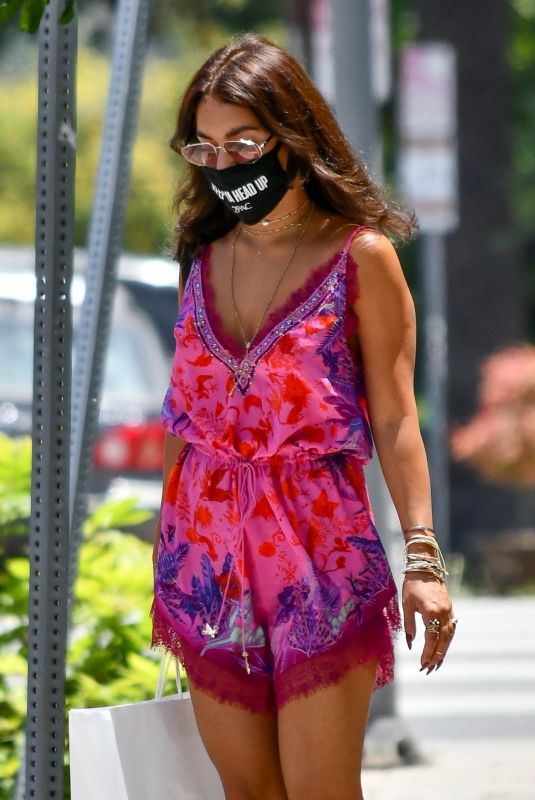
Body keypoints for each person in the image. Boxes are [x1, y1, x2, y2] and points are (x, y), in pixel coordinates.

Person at [151, 33, 456, 800]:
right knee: (247, 792)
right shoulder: (199, 252)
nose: (222, 166)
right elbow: (181, 425)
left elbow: (393, 417)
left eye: (243, 144)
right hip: (205, 567)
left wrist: (422, 560)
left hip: (317, 562)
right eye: (205, 148)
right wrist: (166, 563)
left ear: (294, 140)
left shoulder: (361, 258)